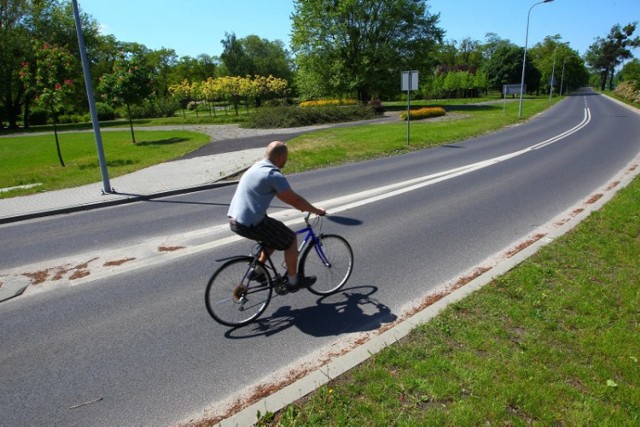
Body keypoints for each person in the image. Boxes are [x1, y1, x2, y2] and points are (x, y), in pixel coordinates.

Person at [227, 141, 326, 292]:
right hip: (250, 222)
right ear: (280, 157)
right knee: (291, 239)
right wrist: (316, 210)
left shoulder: (256, 166)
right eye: (286, 157)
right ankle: (293, 281)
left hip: (235, 220)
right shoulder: (273, 174)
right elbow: (296, 201)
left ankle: (258, 271)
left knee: (274, 235)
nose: (286, 160)